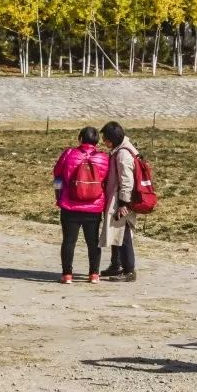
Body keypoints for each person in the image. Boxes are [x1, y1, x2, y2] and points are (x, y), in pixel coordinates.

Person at [52, 126, 110, 284]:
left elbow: (57, 172)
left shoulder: (70, 153)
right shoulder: (104, 157)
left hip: (70, 204)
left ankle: (67, 275)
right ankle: (94, 274)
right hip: (94, 206)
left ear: (80, 139)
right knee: (93, 242)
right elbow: (106, 178)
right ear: (97, 142)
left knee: (69, 241)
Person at [99, 121, 139, 282]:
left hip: (122, 199)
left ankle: (129, 269)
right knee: (116, 230)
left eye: (105, 138)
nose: (103, 141)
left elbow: (127, 180)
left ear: (112, 139)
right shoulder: (121, 149)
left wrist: (124, 203)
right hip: (118, 197)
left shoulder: (123, 155)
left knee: (124, 233)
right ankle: (115, 265)